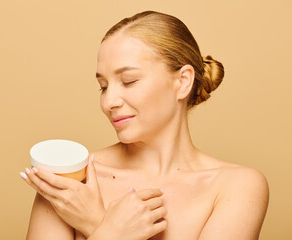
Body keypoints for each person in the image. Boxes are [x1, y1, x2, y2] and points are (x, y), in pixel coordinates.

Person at [20, 10, 269, 240]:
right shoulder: (70, 179)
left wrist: (95, 224)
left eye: (129, 81)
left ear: (183, 82)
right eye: (103, 86)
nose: (109, 102)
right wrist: (107, 232)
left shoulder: (236, 187)